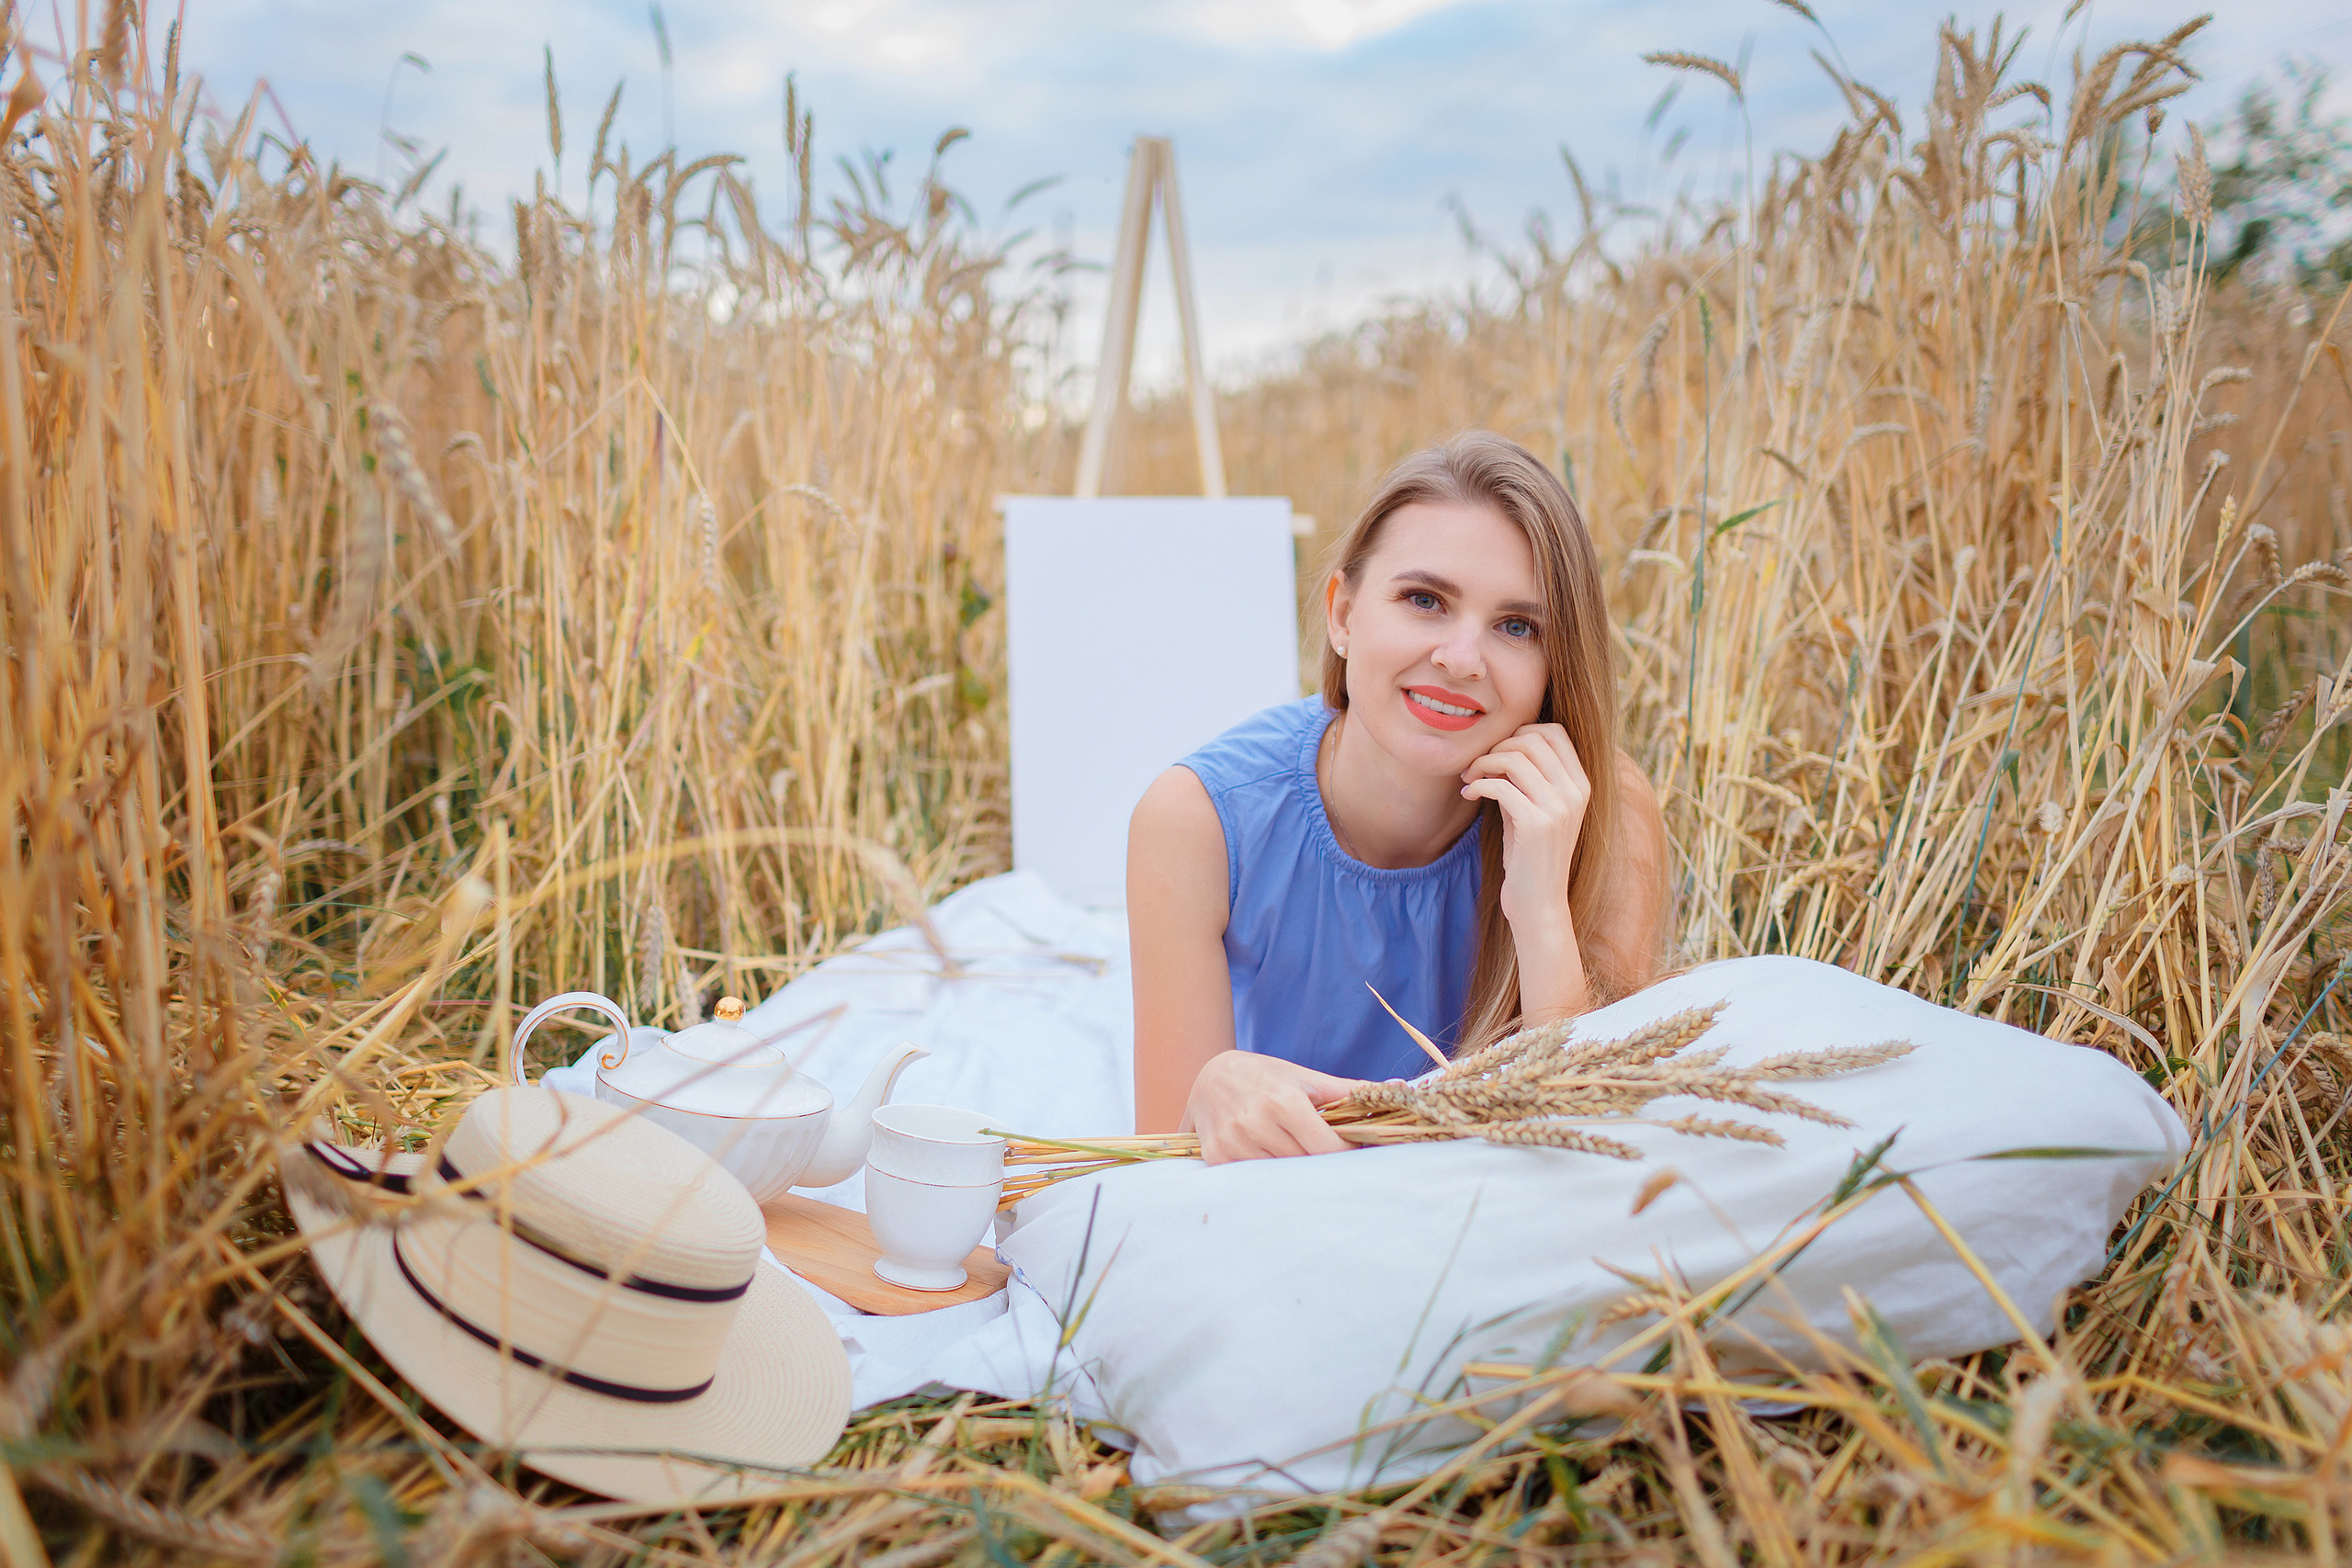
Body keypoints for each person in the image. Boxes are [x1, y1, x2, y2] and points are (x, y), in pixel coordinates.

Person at [1127, 431, 1670, 1163]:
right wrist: (1214, 1086)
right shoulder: (1196, 820)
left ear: (1555, 663)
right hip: (1278, 1198)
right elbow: (1157, 1173)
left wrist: (1540, 910)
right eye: (1424, 599)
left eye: (1517, 625)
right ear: (1344, 615)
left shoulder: (1606, 812)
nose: (1460, 659)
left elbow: (1601, 1151)